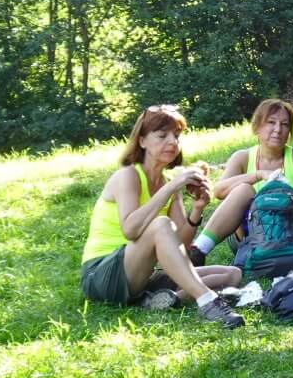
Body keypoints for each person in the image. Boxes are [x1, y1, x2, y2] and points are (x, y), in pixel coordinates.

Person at [80, 104, 244, 328]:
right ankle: (208, 301)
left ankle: (167, 300)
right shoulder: (128, 175)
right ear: (142, 141)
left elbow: (181, 246)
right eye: (162, 135)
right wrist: (171, 187)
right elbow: (130, 230)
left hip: (141, 275)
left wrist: (197, 209)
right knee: (160, 224)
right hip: (101, 275)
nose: (172, 142)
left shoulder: (168, 185)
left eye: (176, 136)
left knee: (232, 274)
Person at [187, 98, 293, 279]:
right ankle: (197, 252)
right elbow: (219, 191)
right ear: (257, 127)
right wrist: (258, 175)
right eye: (271, 122)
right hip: (250, 235)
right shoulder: (242, 157)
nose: (278, 129)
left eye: (284, 124)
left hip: (292, 233)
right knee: (244, 189)